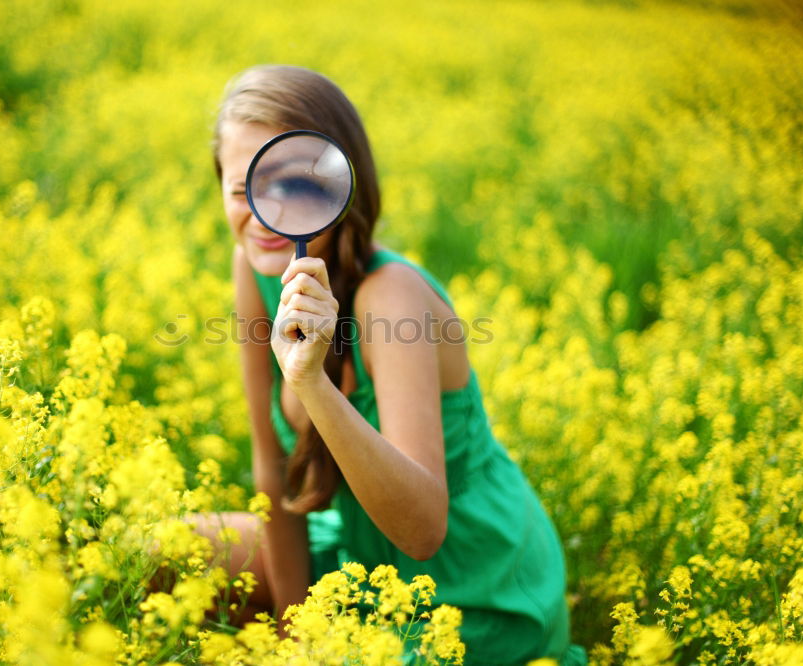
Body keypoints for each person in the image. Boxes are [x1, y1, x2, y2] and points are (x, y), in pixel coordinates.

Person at [207, 64, 585, 665]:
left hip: (466, 585)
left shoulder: (391, 297)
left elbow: (422, 530)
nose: (265, 211)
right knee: (163, 551)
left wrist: (310, 383)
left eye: (295, 183)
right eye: (243, 188)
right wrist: (292, 634)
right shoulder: (253, 263)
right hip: (358, 558)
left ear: (339, 182)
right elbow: (272, 471)